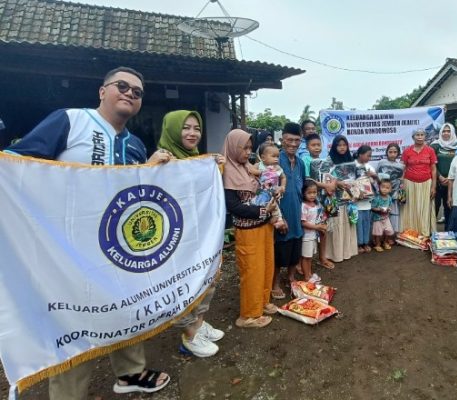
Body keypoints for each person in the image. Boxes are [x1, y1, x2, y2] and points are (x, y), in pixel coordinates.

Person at [5, 66, 170, 398]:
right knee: (76, 323)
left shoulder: (135, 144)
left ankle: (130, 373)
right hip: (70, 251)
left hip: (122, 248)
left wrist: (151, 170)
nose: (129, 94)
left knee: (128, 307)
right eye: (122, 86)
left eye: (137, 92)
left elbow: (138, 191)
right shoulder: (69, 121)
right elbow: (16, 163)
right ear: (102, 91)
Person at [157, 110, 225, 358]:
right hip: (179, 240)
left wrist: (213, 168)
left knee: (206, 279)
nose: (192, 133)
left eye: (197, 128)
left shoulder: (196, 159)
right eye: (185, 127)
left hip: (203, 235)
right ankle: (189, 335)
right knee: (185, 283)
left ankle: (199, 321)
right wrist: (151, 166)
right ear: (173, 129)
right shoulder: (162, 159)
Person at [223, 129, 281, 328]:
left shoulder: (248, 167)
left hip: (264, 226)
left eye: (250, 148)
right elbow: (234, 206)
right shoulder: (227, 171)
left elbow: (264, 187)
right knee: (252, 271)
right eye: (243, 148)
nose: (248, 152)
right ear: (232, 147)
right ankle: (248, 315)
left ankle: (262, 303)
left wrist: (274, 194)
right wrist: (263, 210)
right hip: (248, 230)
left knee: (266, 266)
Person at [272, 122, 307, 299]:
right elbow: (267, 191)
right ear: (282, 139)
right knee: (279, 251)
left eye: (297, 140)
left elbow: (303, 187)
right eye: (290, 140)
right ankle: (275, 283)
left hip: (296, 213)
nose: (293, 144)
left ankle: (291, 278)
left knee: (295, 249)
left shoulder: (300, 163)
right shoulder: (275, 160)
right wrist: (278, 218)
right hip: (280, 214)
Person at [301, 133, 336, 270]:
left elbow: (332, 174)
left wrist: (332, 183)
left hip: (324, 200)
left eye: (318, 145)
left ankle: (322, 258)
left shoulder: (325, 161)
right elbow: (308, 180)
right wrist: (325, 186)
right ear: (307, 146)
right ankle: (302, 262)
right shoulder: (305, 160)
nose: (316, 148)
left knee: (323, 229)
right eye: (313, 145)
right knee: (306, 231)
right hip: (311, 201)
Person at [324, 135, 359, 262]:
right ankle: (335, 254)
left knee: (347, 223)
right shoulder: (329, 160)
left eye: (344, 145)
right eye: (339, 145)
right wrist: (337, 183)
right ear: (334, 146)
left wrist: (355, 190)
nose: (342, 147)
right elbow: (325, 178)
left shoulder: (350, 159)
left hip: (348, 197)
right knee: (336, 224)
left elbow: (354, 177)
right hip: (335, 198)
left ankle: (347, 251)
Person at [401, 129, 437, 236]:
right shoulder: (407, 151)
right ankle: (411, 231)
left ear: (425, 137)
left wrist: (434, 186)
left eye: (422, 135)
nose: (420, 137)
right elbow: (403, 168)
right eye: (417, 135)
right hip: (409, 183)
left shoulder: (430, 150)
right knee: (411, 208)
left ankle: (424, 232)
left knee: (425, 208)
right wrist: (401, 184)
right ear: (413, 137)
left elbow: (434, 169)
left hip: (426, 183)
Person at [431, 123, 457, 224]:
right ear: (440, 132)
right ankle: (430, 233)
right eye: (444, 131)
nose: (446, 133)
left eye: (448, 131)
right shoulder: (435, 145)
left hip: (453, 183)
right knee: (434, 208)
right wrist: (440, 177)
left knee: (449, 208)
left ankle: (449, 233)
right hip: (438, 183)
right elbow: (432, 164)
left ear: (452, 132)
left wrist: (451, 178)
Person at [376, 143, 404, 243]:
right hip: (382, 193)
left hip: (394, 193)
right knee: (382, 214)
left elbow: (401, 180)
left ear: (398, 153)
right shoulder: (382, 163)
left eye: (395, 152)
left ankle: (391, 236)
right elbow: (377, 177)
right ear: (387, 152)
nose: (392, 154)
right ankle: (380, 236)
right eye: (390, 152)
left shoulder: (401, 166)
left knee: (393, 214)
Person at [300, 179, 326, 282]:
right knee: (305, 257)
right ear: (303, 193)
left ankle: (309, 274)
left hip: (313, 235)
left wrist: (320, 226)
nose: (312, 195)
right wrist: (317, 227)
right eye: (309, 193)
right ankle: (307, 276)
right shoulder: (304, 206)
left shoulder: (315, 205)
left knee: (309, 256)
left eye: (314, 192)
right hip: (306, 236)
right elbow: (303, 222)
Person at [353, 145, 377, 253]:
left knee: (366, 222)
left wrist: (372, 176)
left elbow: (375, 182)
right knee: (358, 223)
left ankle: (366, 243)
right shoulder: (352, 165)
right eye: (368, 155)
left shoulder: (370, 167)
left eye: (371, 156)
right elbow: (349, 182)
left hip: (367, 201)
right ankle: (359, 244)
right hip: (356, 201)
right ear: (360, 154)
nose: (369, 158)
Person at [370, 179, 395, 252]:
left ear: (390, 190)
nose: (384, 189)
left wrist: (389, 209)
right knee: (378, 233)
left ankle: (385, 242)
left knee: (388, 231)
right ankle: (377, 245)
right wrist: (379, 209)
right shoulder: (376, 198)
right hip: (377, 218)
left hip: (386, 218)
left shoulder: (389, 198)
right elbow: (372, 208)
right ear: (379, 187)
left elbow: (390, 206)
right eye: (383, 187)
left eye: (387, 188)